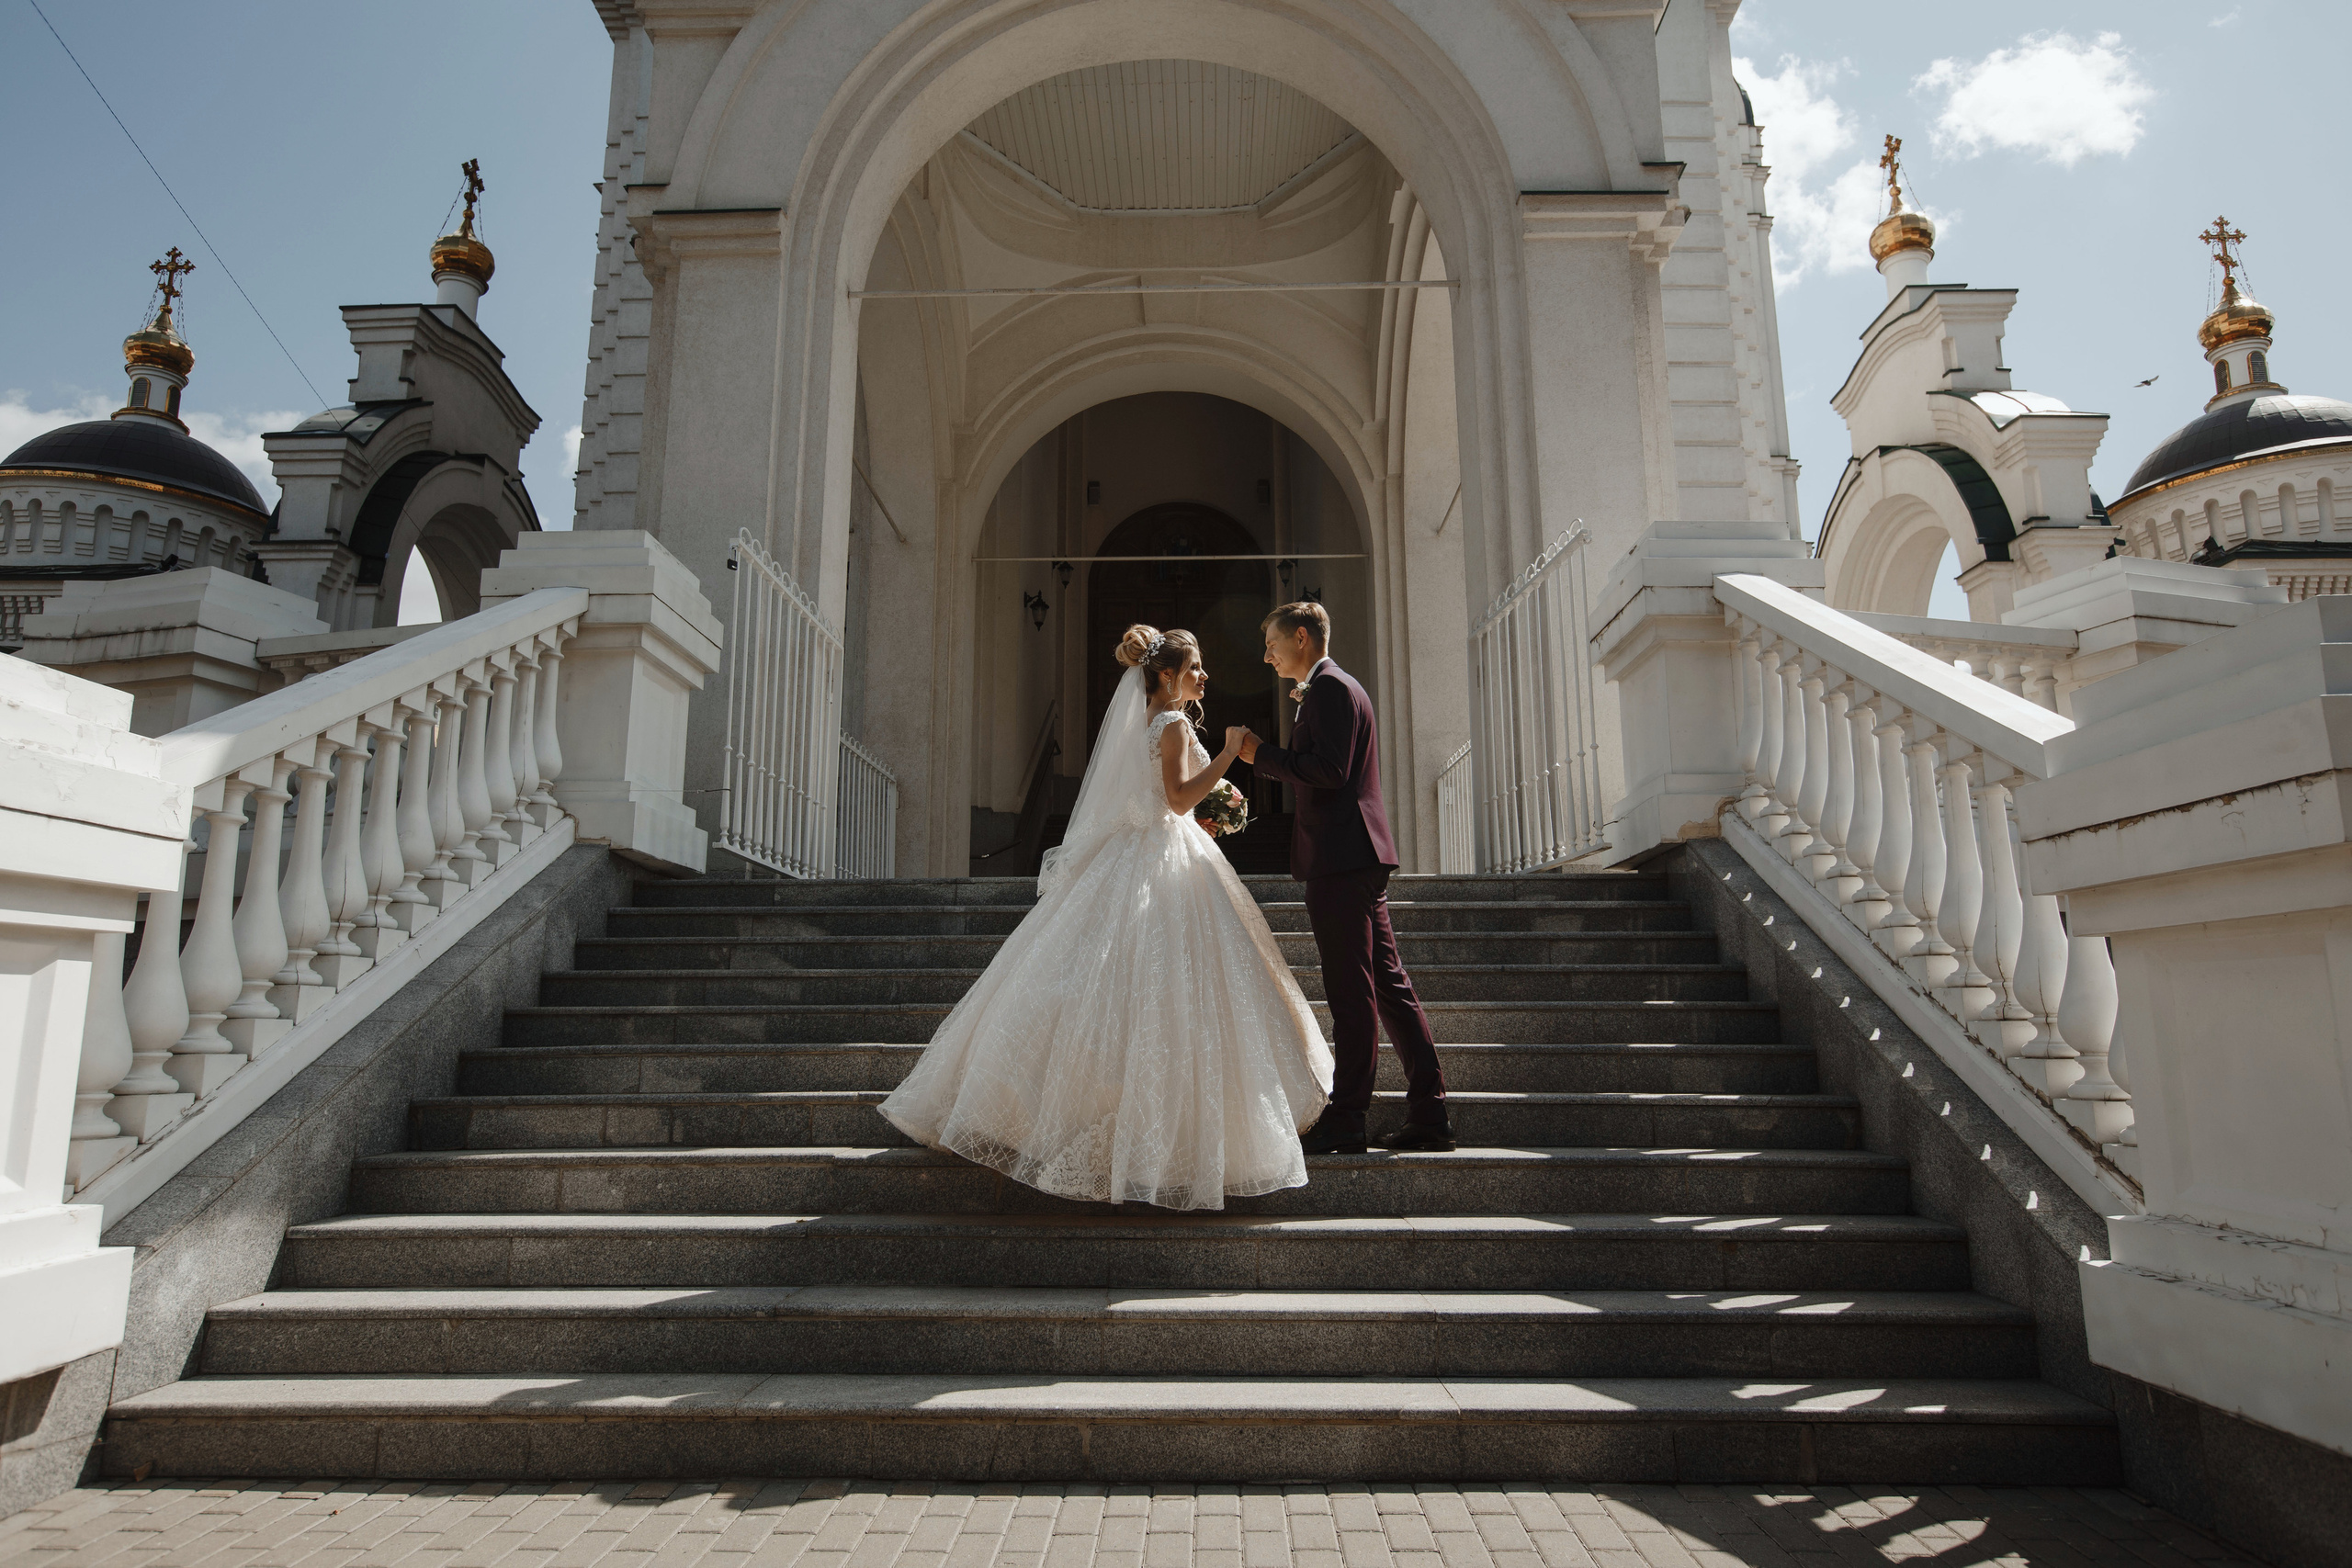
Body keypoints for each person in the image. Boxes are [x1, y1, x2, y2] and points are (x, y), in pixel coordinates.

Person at [878, 625, 1334, 1209]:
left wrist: (1216, 802)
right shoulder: (1171, 724)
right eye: (1194, 668)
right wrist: (1225, 755)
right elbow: (1173, 799)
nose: (1203, 677)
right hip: (1161, 855)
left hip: (1148, 849)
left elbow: (1159, 797)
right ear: (1167, 676)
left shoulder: (1156, 721)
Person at [1238, 602, 1453, 1155]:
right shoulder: (1335, 687)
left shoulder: (1331, 689)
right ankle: (1429, 1113)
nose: (1267, 655)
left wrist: (1262, 755)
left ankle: (1349, 1115)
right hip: (1354, 853)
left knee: (1352, 990)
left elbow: (1329, 771)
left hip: (1341, 855)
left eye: (1272, 643)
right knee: (1387, 986)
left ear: (1302, 638)